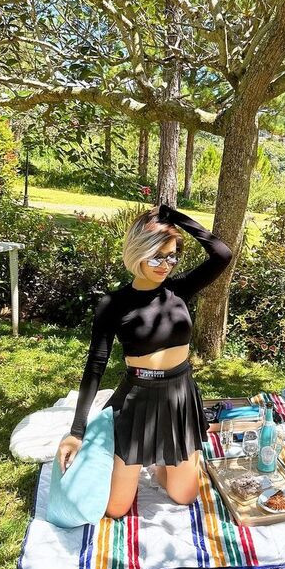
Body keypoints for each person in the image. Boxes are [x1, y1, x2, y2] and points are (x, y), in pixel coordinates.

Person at [55, 202, 233, 518]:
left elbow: (222, 254)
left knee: (184, 496)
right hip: (138, 400)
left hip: (179, 396)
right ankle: (137, 457)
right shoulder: (114, 304)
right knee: (115, 509)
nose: (166, 265)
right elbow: (95, 365)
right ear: (138, 253)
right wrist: (76, 431)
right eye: (156, 256)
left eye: (172, 256)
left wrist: (176, 218)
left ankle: (160, 461)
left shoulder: (179, 289)